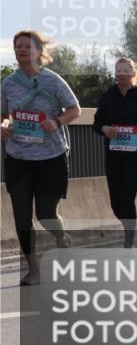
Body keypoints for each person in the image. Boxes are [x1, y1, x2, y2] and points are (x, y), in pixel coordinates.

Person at [0, 30, 81, 285]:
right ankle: (34, 269)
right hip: (18, 157)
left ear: (38, 51)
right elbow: (2, 114)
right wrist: (3, 126)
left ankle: (61, 236)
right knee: (22, 216)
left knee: (46, 213)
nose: (22, 50)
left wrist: (57, 122)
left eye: (27, 46)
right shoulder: (8, 84)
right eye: (18, 46)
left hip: (51, 157)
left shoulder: (53, 81)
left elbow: (74, 110)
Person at [92, 57, 137, 248]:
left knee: (127, 197)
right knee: (116, 204)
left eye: (127, 70)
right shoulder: (108, 96)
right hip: (114, 155)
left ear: (134, 73)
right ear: (115, 74)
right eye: (119, 70)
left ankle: (129, 241)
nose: (123, 74)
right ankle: (133, 224)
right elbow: (97, 123)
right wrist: (105, 129)